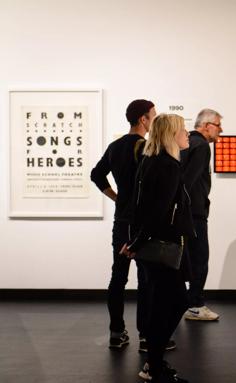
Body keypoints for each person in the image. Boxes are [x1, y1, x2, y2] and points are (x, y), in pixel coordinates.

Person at [121, 113, 192, 383]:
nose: (187, 134)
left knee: (161, 303)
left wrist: (134, 241)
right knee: (175, 302)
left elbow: (137, 207)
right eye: (183, 130)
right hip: (160, 246)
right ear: (171, 135)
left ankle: (153, 363)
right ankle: (154, 364)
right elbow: (156, 212)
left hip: (151, 246)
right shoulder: (168, 166)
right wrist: (136, 243)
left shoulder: (150, 162)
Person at [90, 99, 158, 349]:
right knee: (146, 278)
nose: (154, 119)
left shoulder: (115, 146)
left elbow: (96, 174)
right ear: (143, 119)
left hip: (122, 220)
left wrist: (117, 198)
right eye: (153, 115)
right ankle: (145, 336)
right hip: (141, 222)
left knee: (118, 277)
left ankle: (116, 332)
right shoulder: (146, 147)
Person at [181, 108, 222, 321]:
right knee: (199, 259)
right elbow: (187, 181)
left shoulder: (188, 142)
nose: (221, 130)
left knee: (184, 260)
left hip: (186, 212)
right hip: (193, 213)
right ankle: (195, 305)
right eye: (218, 125)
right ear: (206, 126)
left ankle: (184, 303)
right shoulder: (202, 146)